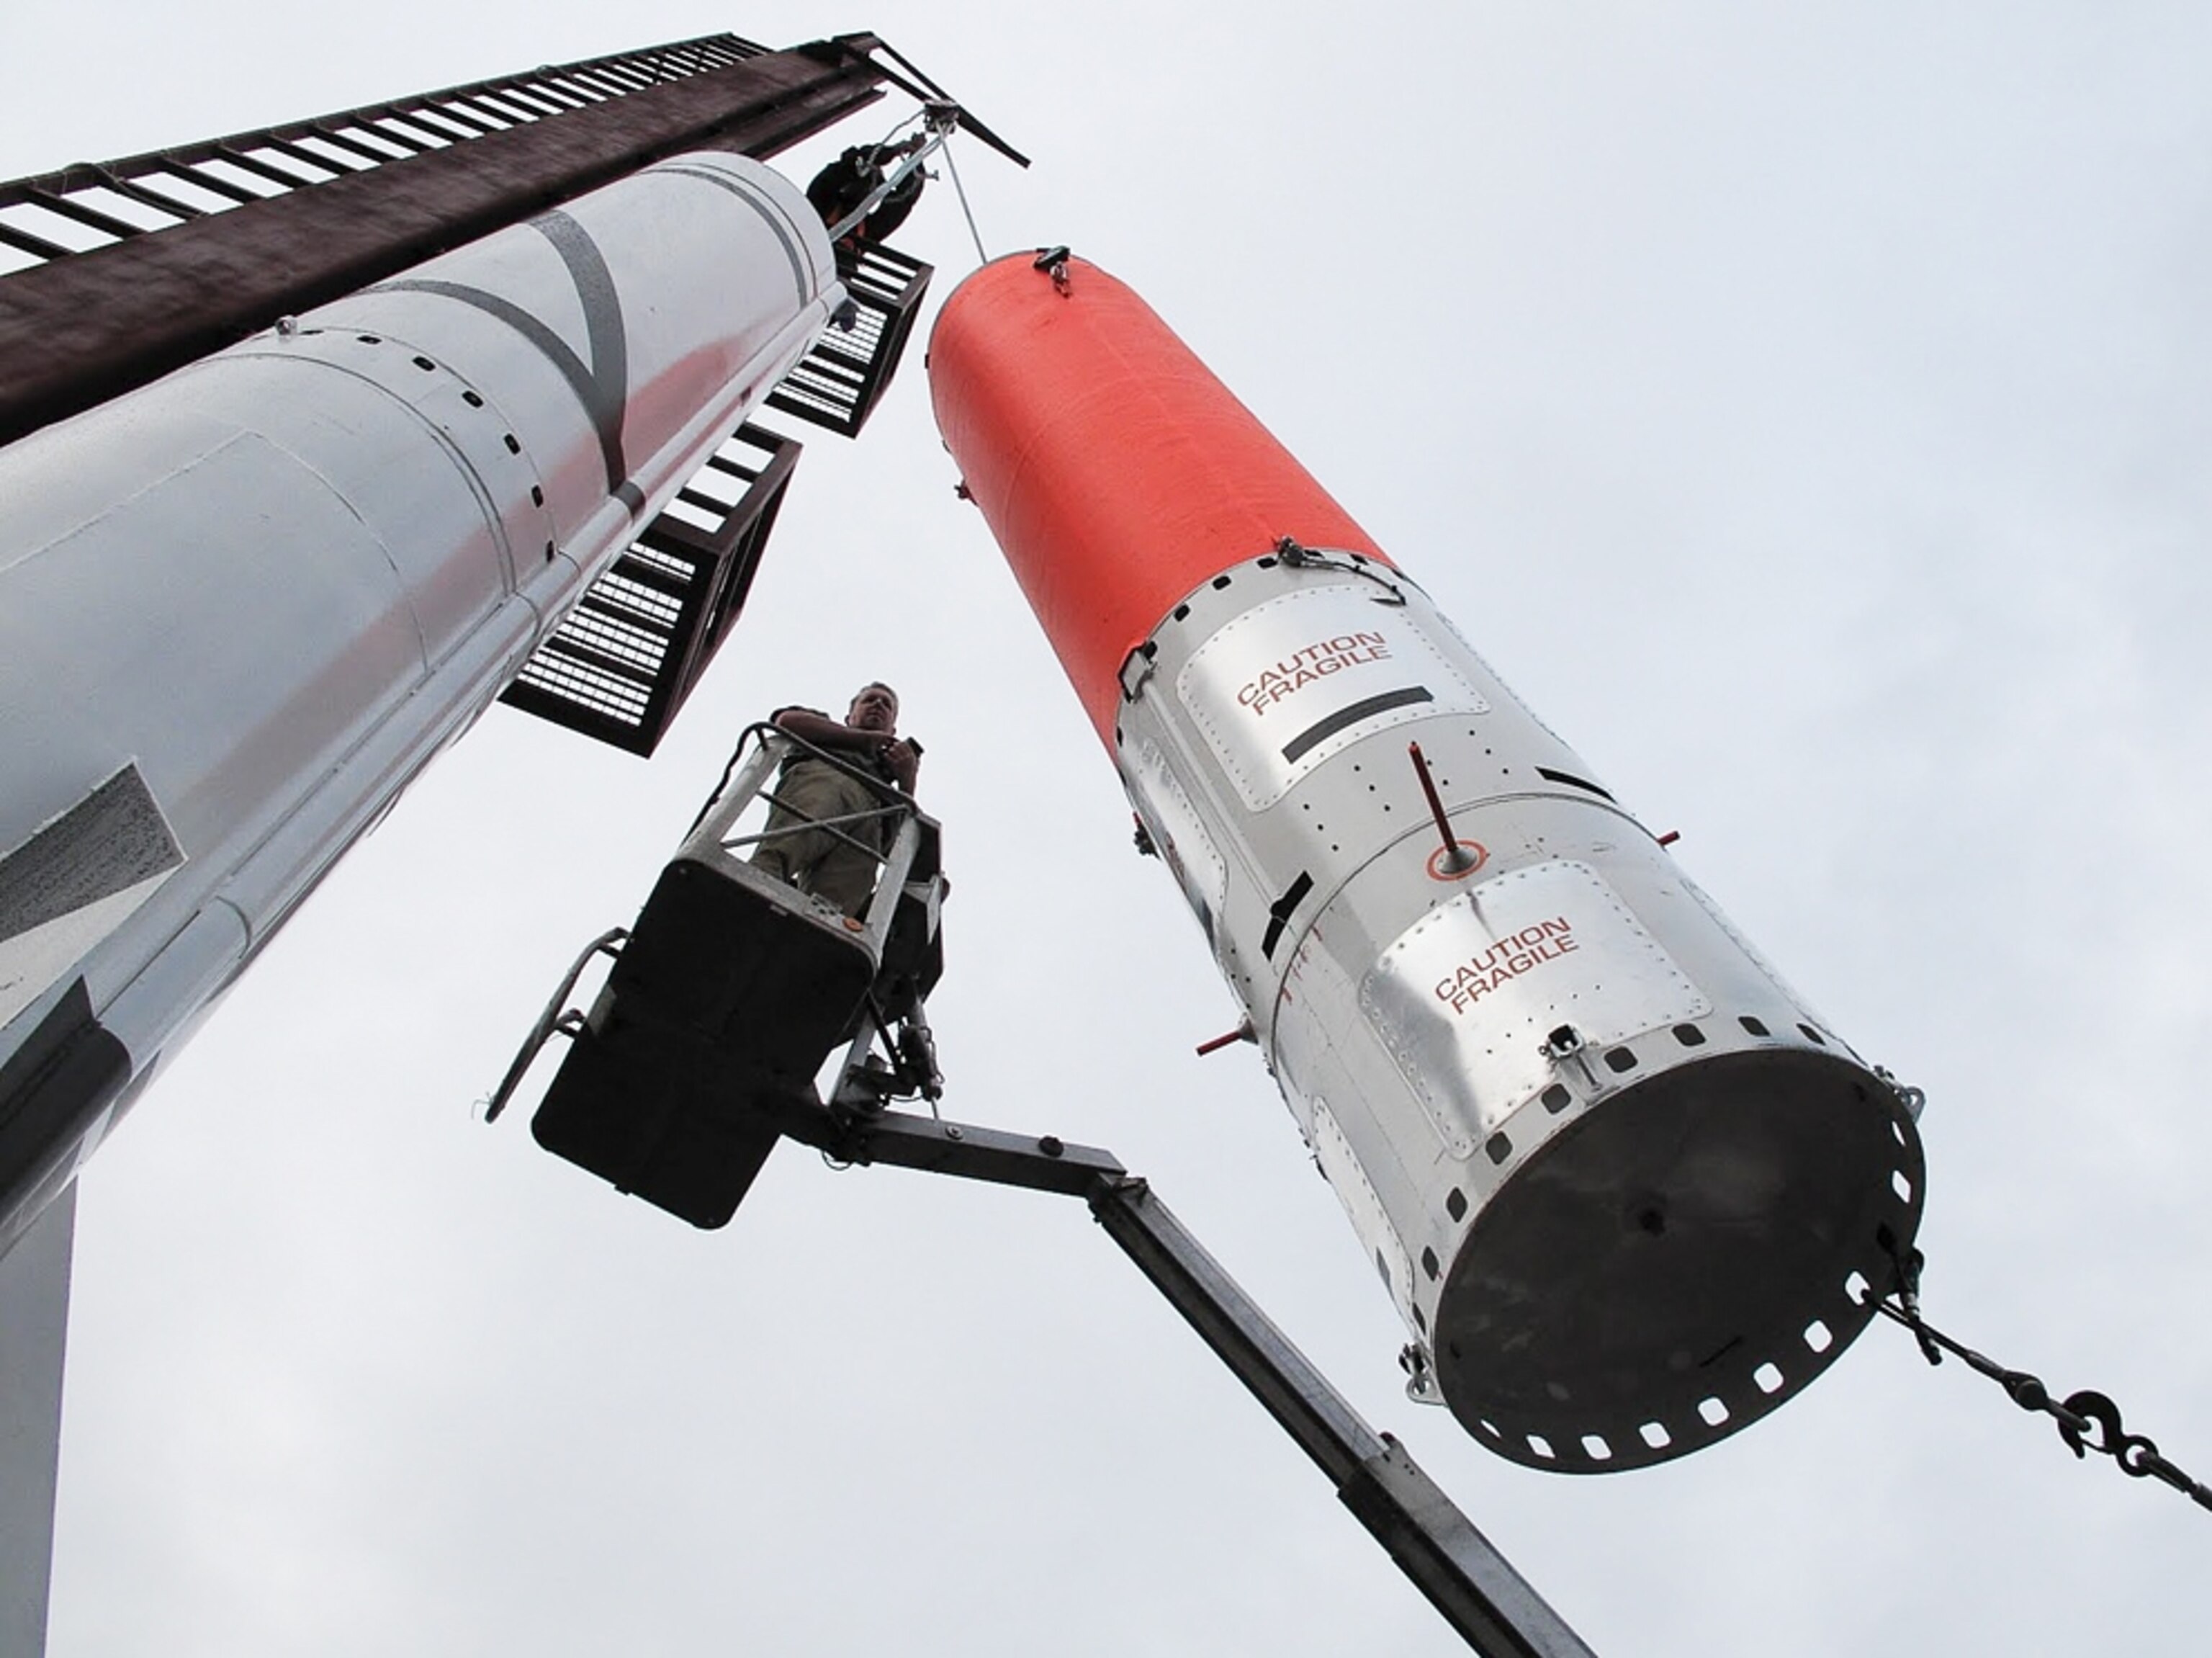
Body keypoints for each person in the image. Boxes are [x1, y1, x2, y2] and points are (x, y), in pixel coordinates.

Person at [750, 683, 920, 918]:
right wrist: (863, 739)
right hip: (825, 779)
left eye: (886, 705)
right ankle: (758, 885)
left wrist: (907, 779)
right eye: (870, 700)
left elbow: (892, 843)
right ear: (850, 717)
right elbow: (787, 721)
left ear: (893, 730)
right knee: (791, 842)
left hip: (870, 817)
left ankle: (819, 930)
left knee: (837, 902)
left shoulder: (888, 783)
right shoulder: (827, 730)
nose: (878, 705)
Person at [804, 138, 926, 249]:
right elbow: (844, 168)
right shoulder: (819, 202)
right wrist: (890, 152)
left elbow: (902, 202)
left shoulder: (866, 229)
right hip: (811, 254)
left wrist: (915, 159)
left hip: (837, 269)